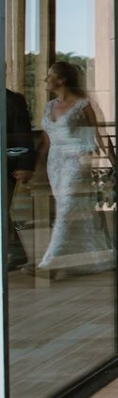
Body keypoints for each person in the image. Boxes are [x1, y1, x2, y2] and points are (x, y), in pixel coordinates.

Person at [30, 61, 113, 275]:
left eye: (50, 75)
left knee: (66, 209)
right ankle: (90, 257)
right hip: (55, 164)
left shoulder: (83, 104)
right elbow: (45, 142)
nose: (45, 79)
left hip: (77, 161)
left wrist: (117, 164)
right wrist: (33, 167)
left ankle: (50, 264)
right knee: (68, 208)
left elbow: (99, 135)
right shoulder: (49, 106)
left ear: (62, 79)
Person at [5, 87, 35, 270]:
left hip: (6, 165)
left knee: (1, 210)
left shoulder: (12, 100)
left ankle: (16, 252)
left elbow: (23, 134)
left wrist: (26, 165)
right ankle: (16, 252)